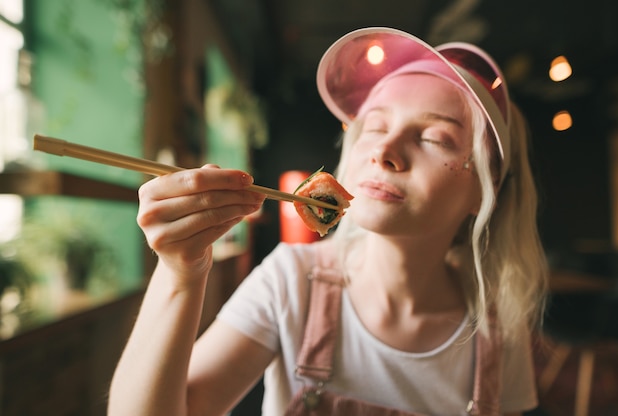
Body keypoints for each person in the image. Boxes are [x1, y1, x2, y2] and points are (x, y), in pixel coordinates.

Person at [108, 27, 548, 416]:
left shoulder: (497, 330)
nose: (384, 150)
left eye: (435, 137)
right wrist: (180, 273)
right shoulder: (292, 281)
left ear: (484, 189)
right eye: (374, 128)